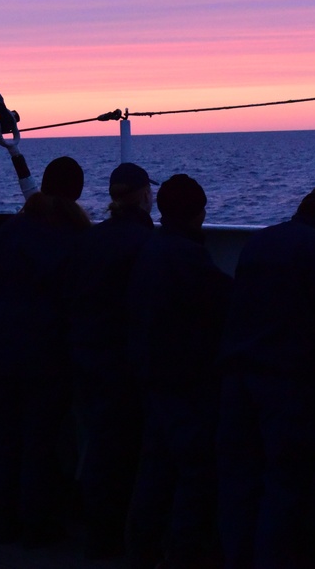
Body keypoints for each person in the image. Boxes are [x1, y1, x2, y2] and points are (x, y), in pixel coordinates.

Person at [217, 184, 315, 569]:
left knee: (240, 481)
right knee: (284, 483)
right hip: (283, 383)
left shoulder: (260, 241)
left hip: (236, 377)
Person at [0, 156, 91, 546]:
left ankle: (6, 521)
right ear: (76, 191)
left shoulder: (12, 230)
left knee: (6, 437)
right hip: (44, 351)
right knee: (40, 440)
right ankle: (38, 523)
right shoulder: (74, 237)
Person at [123, 174, 233, 569]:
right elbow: (223, 300)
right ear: (200, 213)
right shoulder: (186, 256)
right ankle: (185, 554)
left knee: (154, 470)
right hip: (183, 382)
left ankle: (141, 551)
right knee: (193, 471)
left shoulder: (153, 250)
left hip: (153, 376)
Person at [66, 161, 157, 559]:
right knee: (121, 448)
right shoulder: (144, 243)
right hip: (122, 359)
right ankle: (116, 535)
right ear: (143, 195)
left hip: (86, 351)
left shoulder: (90, 239)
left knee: (99, 442)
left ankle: (98, 531)